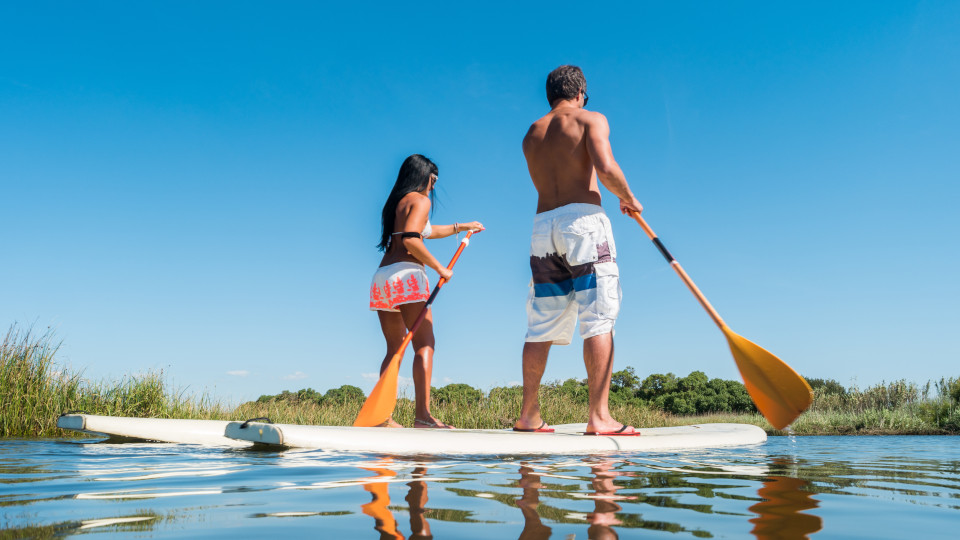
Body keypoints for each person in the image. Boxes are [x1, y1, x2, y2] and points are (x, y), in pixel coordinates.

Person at [513, 65, 643, 436]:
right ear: (580, 92)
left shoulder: (531, 134)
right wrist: (629, 197)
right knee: (599, 318)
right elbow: (605, 167)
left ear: (550, 94)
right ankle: (599, 417)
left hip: (543, 228)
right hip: (583, 223)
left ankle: (529, 416)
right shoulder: (590, 118)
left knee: (541, 324)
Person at [370, 154, 482, 428]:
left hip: (383, 278)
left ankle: (383, 417)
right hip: (408, 276)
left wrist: (463, 227)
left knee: (394, 348)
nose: (434, 185)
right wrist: (440, 269)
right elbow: (411, 240)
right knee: (425, 345)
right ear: (425, 176)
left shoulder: (399, 203)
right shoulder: (421, 201)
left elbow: (425, 231)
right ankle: (423, 415)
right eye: (434, 179)